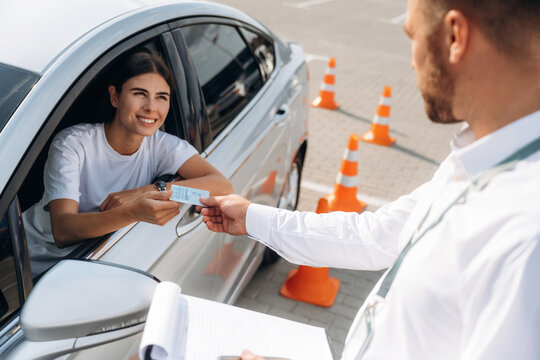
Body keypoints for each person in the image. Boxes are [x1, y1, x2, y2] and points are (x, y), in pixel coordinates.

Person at [198, 0, 540, 358]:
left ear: (455, 37)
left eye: (412, 35)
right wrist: (252, 216)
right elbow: (375, 236)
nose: (411, 61)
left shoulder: (526, 237)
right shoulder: (477, 160)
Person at [24, 50, 233, 277]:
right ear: (115, 97)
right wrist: (134, 212)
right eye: (140, 93)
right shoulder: (73, 143)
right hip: (29, 262)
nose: (151, 107)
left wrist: (154, 191)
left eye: (161, 97)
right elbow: (63, 230)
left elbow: (223, 187)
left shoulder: (164, 146)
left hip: (87, 265)